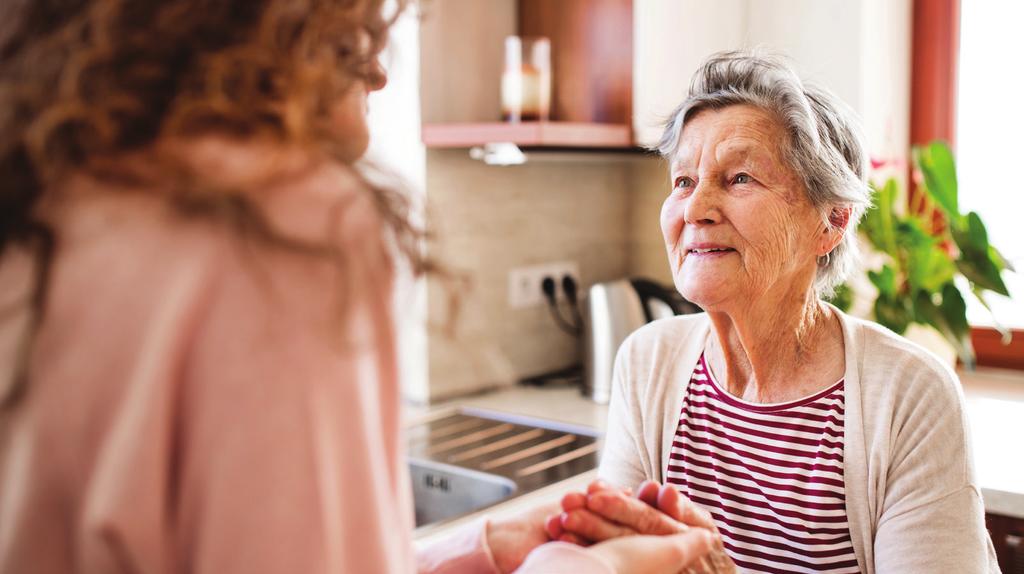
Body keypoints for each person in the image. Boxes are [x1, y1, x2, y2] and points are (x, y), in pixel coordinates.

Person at [0, 0, 720, 572]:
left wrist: (483, 550)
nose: (379, 74)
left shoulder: (47, 198)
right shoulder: (276, 226)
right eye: (352, 32)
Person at [552, 52, 1001, 573]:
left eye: (739, 178)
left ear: (831, 221)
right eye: (683, 181)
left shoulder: (908, 396)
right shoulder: (648, 361)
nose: (697, 208)